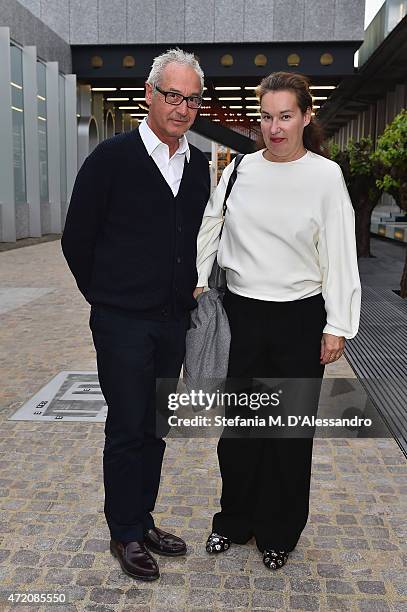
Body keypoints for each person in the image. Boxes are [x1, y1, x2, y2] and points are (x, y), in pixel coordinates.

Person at [194, 71, 361, 570]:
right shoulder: (240, 170)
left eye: (286, 116)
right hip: (243, 314)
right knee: (242, 429)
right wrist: (200, 278)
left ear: (307, 117)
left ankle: (279, 530)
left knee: (287, 434)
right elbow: (212, 222)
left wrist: (338, 325)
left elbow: (340, 252)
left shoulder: (324, 176)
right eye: (266, 117)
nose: (275, 127)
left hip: (300, 319)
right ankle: (234, 520)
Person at [61, 48, 210, 581]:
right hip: (122, 321)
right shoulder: (112, 158)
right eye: (173, 95)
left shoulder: (196, 168)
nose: (182, 107)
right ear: (149, 95)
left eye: (192, 99)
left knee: (155, 427)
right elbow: (77, 237)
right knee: (127, 426)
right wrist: (104, 299)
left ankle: (142, 518)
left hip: (174, 320)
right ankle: (123, 532)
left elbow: (194, 239)